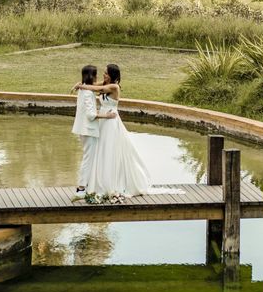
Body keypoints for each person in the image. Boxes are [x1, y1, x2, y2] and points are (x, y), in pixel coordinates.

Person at [74, 64, 182, 197]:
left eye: (106, 73)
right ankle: (97, 182)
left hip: (110, 121)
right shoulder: (106, 83)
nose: (104, 75)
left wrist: (81, 86)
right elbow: (95, 85)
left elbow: (98, 88)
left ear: (112, 75)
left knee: (109, 151)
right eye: (104, 73)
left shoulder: (114, 87)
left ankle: (111, 184)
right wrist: (81, 84)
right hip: (102, 122)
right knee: (100, 151)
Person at [71, 65, 116, 195]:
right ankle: (81, 188)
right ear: (92, 76)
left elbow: (99, 86)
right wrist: (106, 115)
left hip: (83, 129)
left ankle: (88, 184)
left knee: (88, 157)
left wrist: (79, 85)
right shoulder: (87, 93)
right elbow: (91, 115)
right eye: (96, 74)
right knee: (88, 158)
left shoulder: (83, 90)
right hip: (88, 130)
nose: (98, 76)